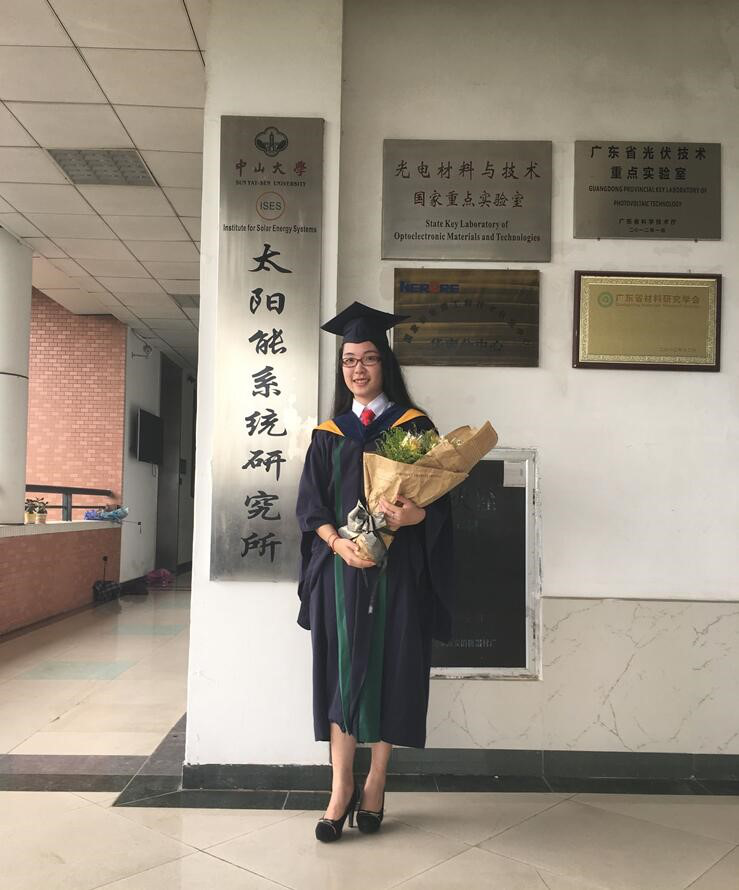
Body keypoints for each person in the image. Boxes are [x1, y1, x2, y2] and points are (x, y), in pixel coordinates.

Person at [295, 301, 455, 842]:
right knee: (340, 674)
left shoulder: (414, 428)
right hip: (341, 572)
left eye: (367, 358)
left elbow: (441, 503)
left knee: (391, 668)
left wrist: (416, 516)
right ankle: (340, 787)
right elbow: (311, 507)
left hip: (398, 572)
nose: (357, 369)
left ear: (385, 364)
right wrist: (337, 545)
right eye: (348, 360)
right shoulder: (328, 433)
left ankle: (376, 782)